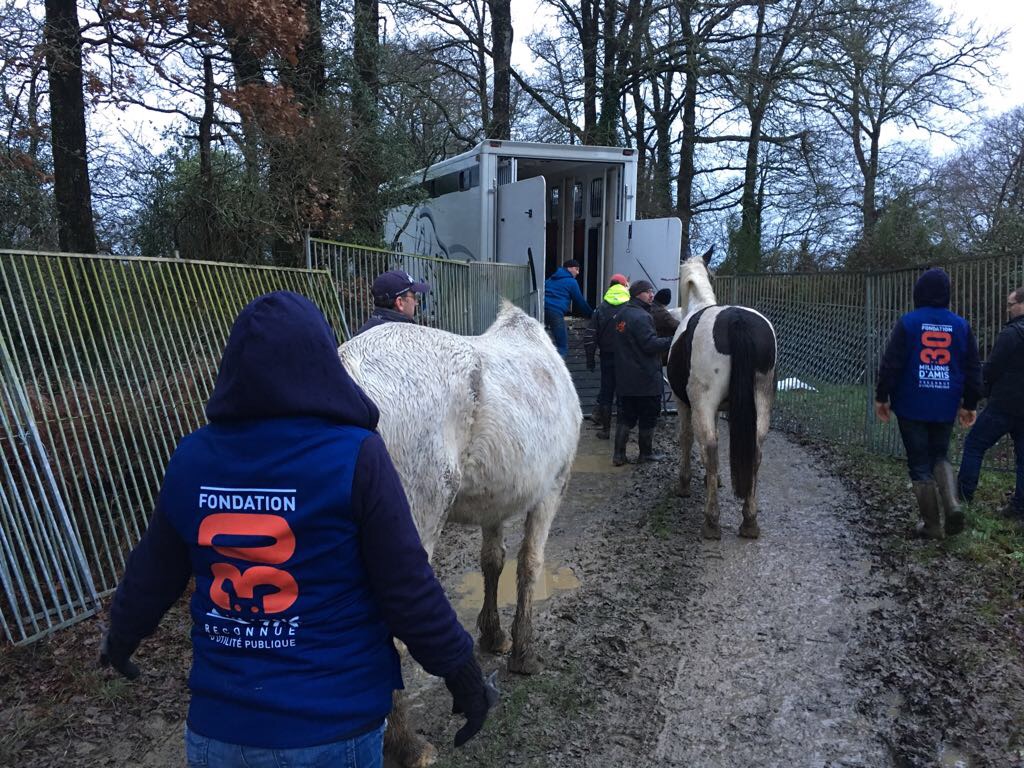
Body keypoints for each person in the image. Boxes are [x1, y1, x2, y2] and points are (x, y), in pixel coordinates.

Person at [99, 291, 494, 768]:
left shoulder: (192, 457)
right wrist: (461, 671)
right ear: (323, 363)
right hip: (334, 730)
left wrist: (122, 635)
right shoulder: (356, 456)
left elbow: (152, 570)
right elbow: (406, 585)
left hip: (220, 732)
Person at [874, 268, 982, 539]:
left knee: (919, 464)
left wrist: (881, 397)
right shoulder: (960, 325)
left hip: (911, 404)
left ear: (918, 292)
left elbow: (891, 364)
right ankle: (953, 503)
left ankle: (932, 525)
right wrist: (970, 403)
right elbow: (972, 368)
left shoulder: (909, 323)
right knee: (940, 455)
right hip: (945, 404)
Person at [958, 285, 1024, 519]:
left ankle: (963, 499)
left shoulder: (1011, 334)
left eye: (1011, 304)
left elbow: (992, 369)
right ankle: (1019, 509)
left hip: (1004, 404)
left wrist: (976, 396)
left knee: (975, 445)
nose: (1008, 309)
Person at [612, 280, 673, 466]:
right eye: (648, 292)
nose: (652, 295)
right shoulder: (642, 317)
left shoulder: (621, 314)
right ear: (638, 294)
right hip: (645, 379)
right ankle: (645, 453)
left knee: (625, 417)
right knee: (648, 416)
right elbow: (649, 345)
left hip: (624, 378)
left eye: (651, 291)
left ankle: (619, 455)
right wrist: (673, 340)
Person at [583, 274, 630, 439]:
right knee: (624, 392)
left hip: (607, 356)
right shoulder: (630, 307)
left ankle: (605, 430)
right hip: (626, 358)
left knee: (606, 392)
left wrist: (590, 360)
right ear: (624, 286)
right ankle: (623, 432)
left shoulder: (600, 308)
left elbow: (589, 336)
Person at [355, 269, 431, 335]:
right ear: (400, 302)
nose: (416, 302)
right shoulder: (407, 336)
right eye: (414, 297)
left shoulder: (362, 333)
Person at [544, 259, 593, 358]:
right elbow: (580, 302)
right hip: (555, 313)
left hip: (542, 311)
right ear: (569, 268)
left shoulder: (550, 280)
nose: (578, 272)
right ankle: (556, 370)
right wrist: (591, 314)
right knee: (562, 347)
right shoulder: (572, 282)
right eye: (577, 269)